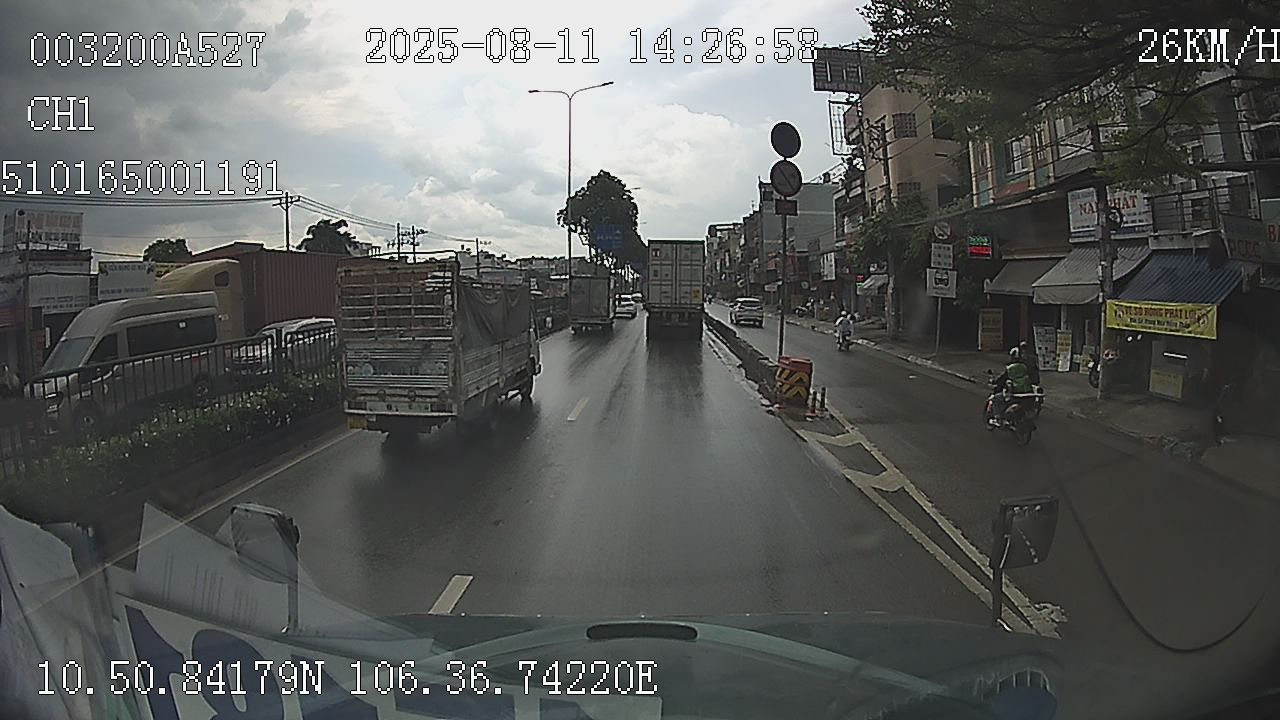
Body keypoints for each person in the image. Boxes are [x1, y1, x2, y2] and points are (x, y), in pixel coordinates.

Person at [989, 347, 1033, 428]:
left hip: (1015, 392)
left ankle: (997, 418)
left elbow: (1002, 379)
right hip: (1027, 391)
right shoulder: (1025, 366)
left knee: (996, 398)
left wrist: (995, 382)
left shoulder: (1010, 368)